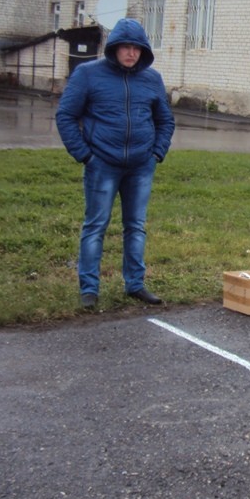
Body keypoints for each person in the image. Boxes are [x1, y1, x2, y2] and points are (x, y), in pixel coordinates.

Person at [55, 17, 175, 309]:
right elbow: (66, 116)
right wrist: (85, 155)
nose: (131, 53)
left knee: (136, 226)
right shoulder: (88, 74)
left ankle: (135, 284)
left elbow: (165, 120)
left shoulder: (152, 79)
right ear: (114, 47)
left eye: (137, 47)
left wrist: (156, 153)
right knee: (96, 226)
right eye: (125, 47)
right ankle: (89, 289)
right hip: (102, 165)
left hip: (141, 165)